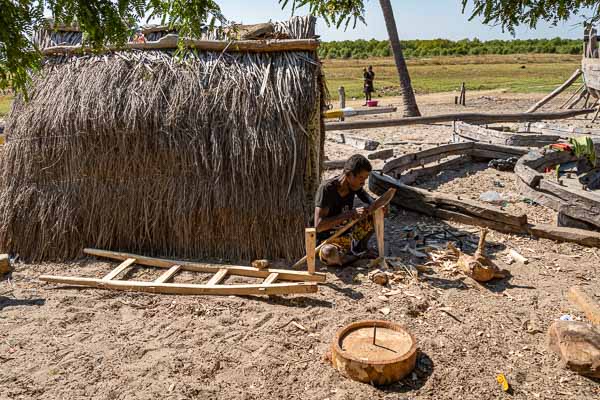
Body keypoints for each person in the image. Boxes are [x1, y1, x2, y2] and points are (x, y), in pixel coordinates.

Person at [314, 154, 379, 267]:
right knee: (329, 253)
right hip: (328, 240)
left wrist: (377, 205)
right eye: (361, 178)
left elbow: (368, 199)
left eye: (365, 179)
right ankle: (356, 255)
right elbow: (319, 226)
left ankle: (359, 249)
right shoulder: (327, 189)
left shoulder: (354, 186)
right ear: (348, 175)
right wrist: (350, 214)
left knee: (374, 215)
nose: (363, 183)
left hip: (347, 236)